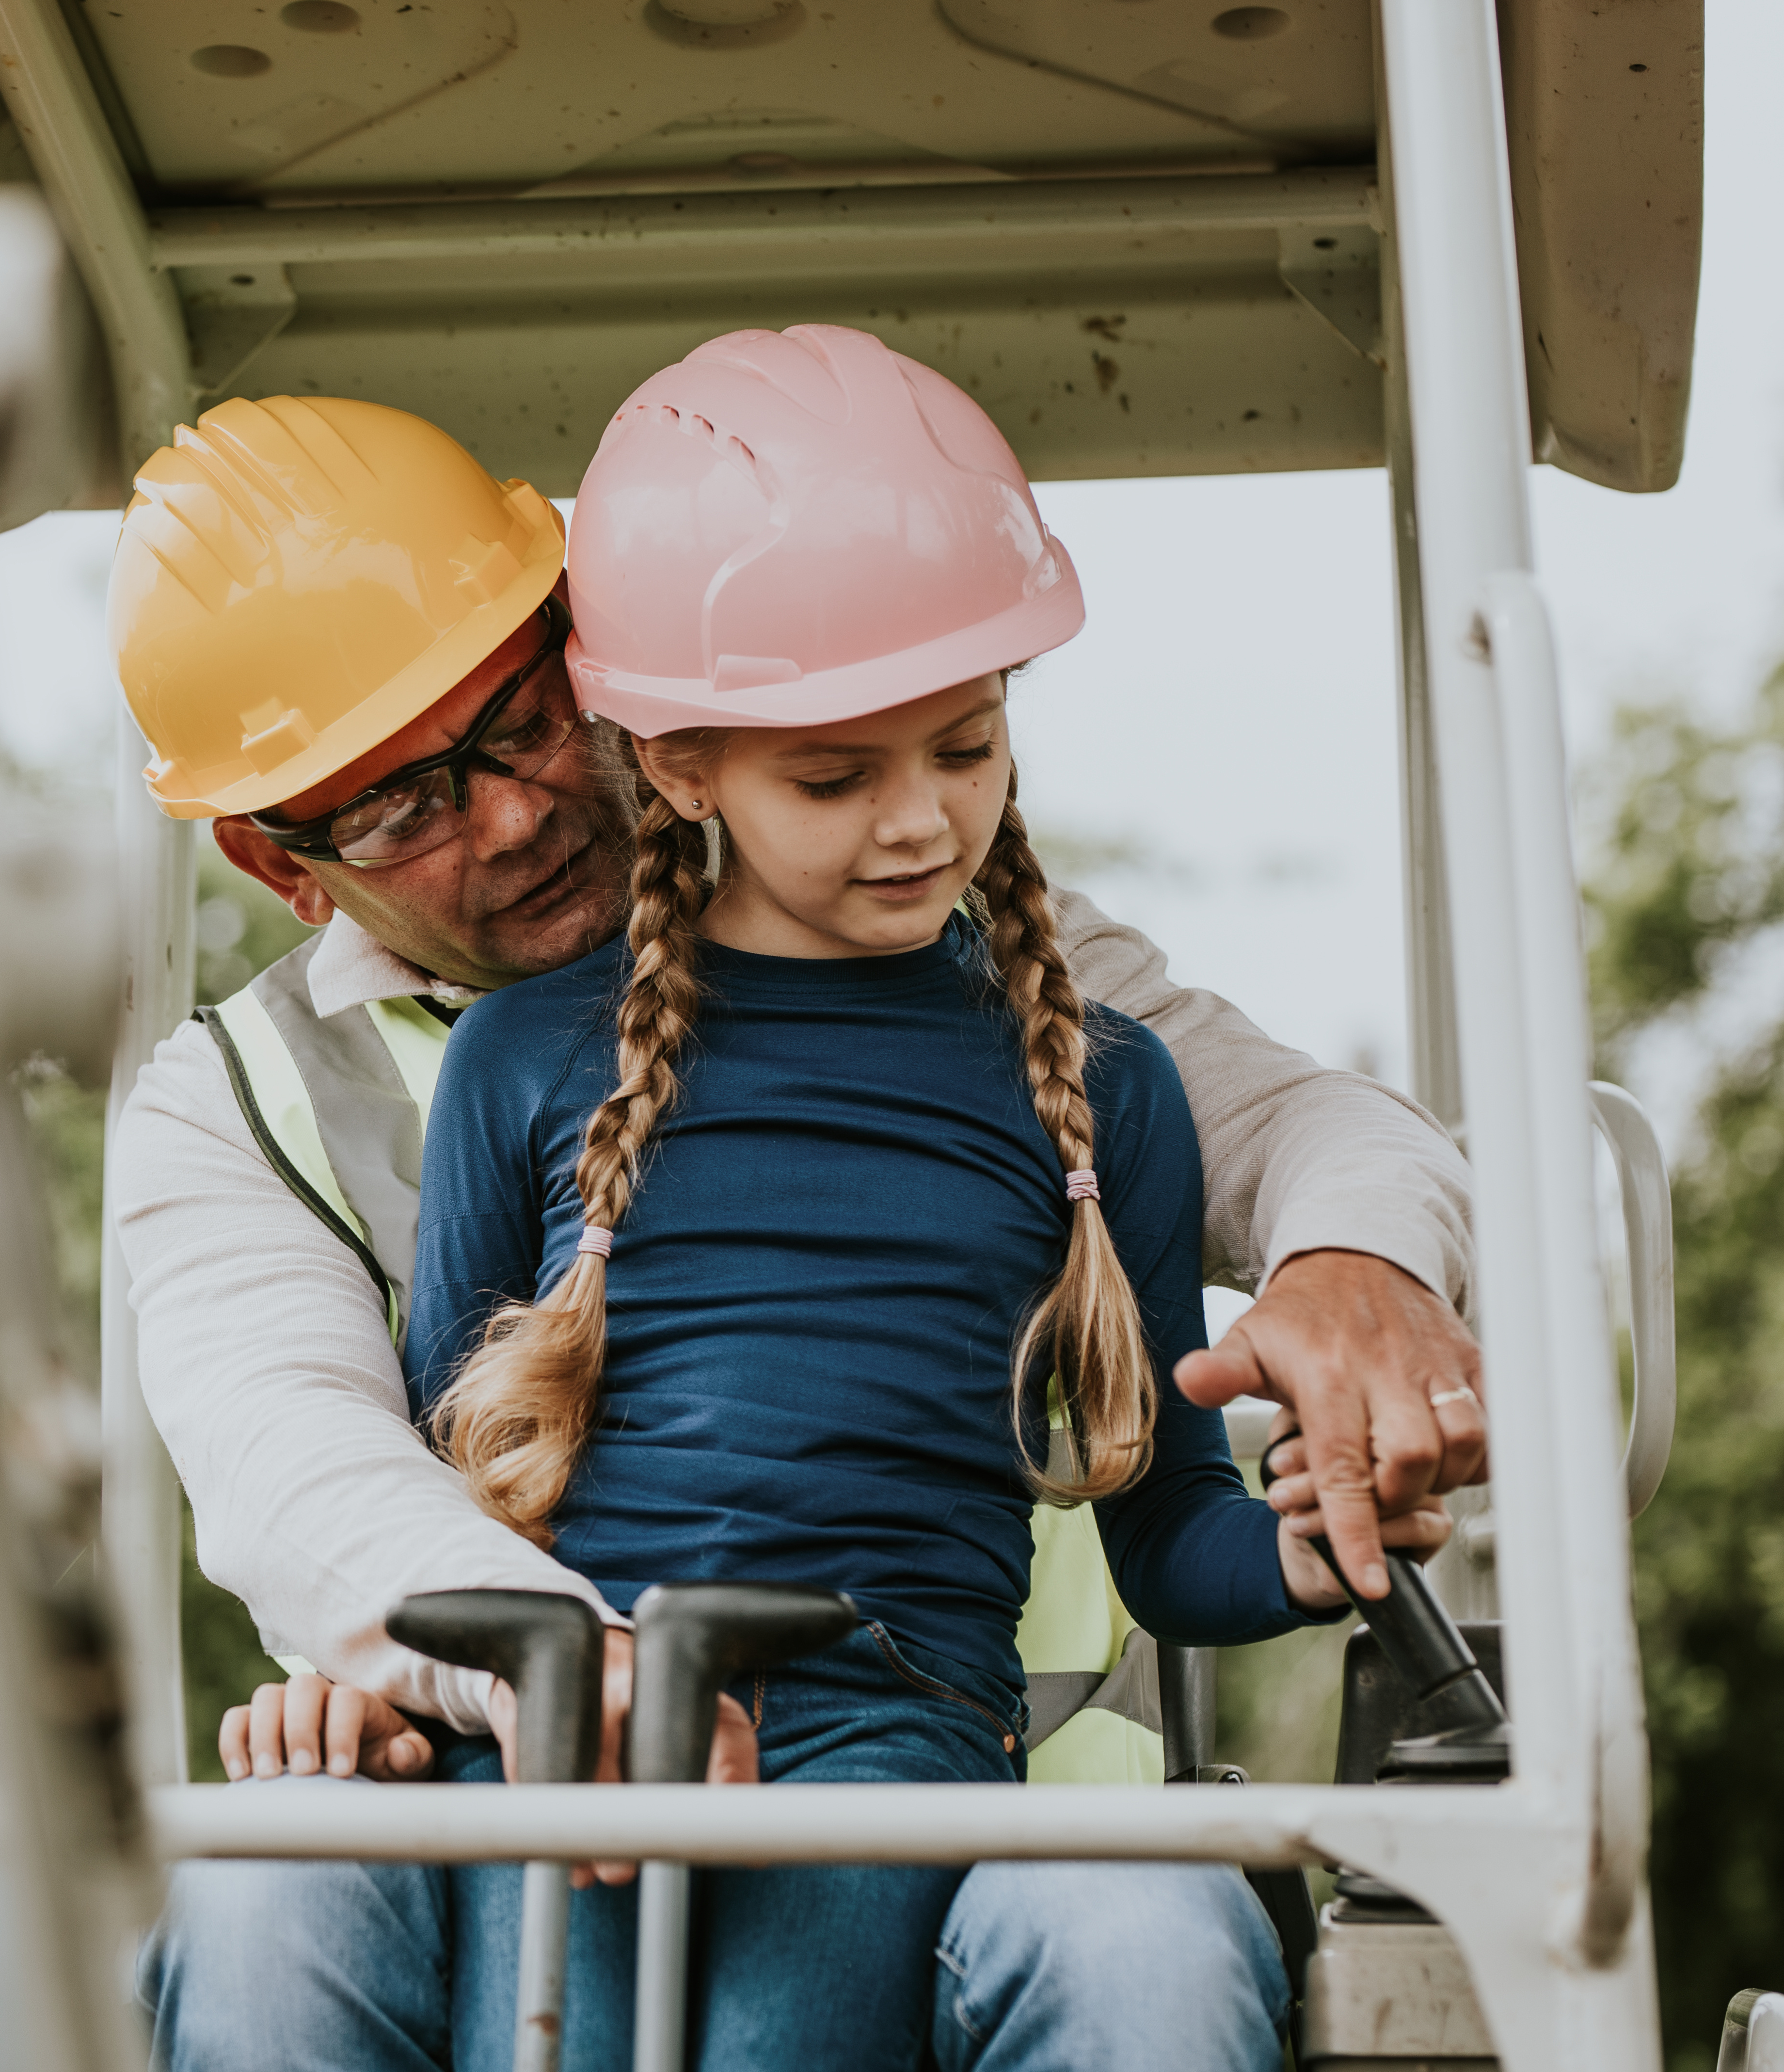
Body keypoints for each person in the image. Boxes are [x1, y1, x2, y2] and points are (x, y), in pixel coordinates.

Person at [108, 367, 1484, 2069]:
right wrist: (534, 1673)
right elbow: (311, 1470)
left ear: (600, 663)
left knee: (1148, 1939)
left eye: (525, 719)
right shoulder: (252, 1105)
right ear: (280, 863)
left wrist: (1359, 1260)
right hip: (539, 1752)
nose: (521, 812)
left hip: (970, 1790)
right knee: (255, 1902)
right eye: (404, 802)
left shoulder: (991, 967)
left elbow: (1297, 1126)